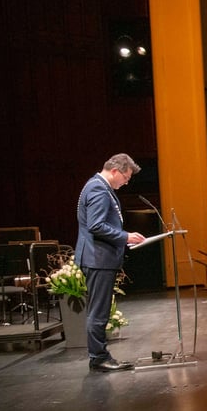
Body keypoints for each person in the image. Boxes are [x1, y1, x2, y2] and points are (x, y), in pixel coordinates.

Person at [75, 153, 146, 372]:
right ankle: (98, 358)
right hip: (97, 259)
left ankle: (99, 355)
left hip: (99, 258)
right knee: (99, 311)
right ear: (115, 170)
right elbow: (96, 225)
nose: (127, 182)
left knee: (101, 310)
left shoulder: (99, 186)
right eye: (126, 177)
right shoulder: (98, 188)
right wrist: (125, 237)